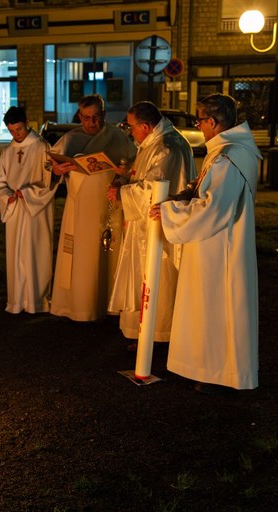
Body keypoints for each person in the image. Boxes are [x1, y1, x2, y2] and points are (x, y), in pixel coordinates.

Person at [150, 93, 260, 393]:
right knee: (208, 307)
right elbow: (206, 189)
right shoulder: (227, 151)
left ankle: (222, 373)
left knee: (218, 306)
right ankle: (210, 368)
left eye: (199, 121)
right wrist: (186, 194)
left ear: (212, 121)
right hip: (217, 244)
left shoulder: (228, 157)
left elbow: (213, 208)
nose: (198, 126)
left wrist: (170, 212)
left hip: (221, 247)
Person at [107, 101, 195, 343]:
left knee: (159, 278)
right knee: (143, 276)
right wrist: (126, 177)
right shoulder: (154, 142)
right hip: (143, 223)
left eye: (131, 126)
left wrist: (122, 193)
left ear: (145, 126)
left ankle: (159, 334)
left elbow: (154, 189)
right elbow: (143, 176)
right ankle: (141, 332)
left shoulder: (167, 147)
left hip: (158, 227)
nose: (129, 131)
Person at [49, 94, 136, 321]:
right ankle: (79, 307)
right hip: (78, 208)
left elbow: (134, 168)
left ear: (104, 115)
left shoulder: (118, 137)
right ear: (79, 116)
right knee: (81, 258)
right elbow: (49, 167)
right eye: (86, 118)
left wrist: (122, 177)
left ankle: (108, 304)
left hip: (108, 207)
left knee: (107, 255)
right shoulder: (70, 139)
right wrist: (56, 171)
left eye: (96, 117)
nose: (92, 122)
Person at [0, 106, 57, 314]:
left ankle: (37, 301)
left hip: (36, 211)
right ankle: (17, 300)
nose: (16, 135)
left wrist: (27, 194)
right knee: (16, 255)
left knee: (35, 253)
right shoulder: (7, 152)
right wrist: (7, 196)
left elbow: (50, 182)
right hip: (15, 210)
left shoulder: (42, 147)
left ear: (27, 122)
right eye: (11, 131)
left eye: (19, 129)